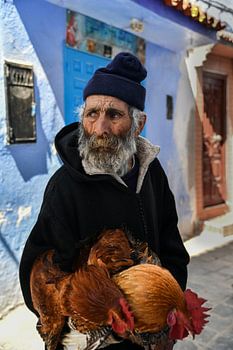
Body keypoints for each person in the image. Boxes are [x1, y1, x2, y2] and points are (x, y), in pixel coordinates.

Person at [19, 52, 190, 349]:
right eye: (92, 114)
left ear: (138, 125)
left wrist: (166, 302)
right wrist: (90, 323)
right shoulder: (64, 187)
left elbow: (170, 240)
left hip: (153, 330)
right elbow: (40, 274)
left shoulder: (152, 172)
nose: (100, 129)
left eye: (114, 115)